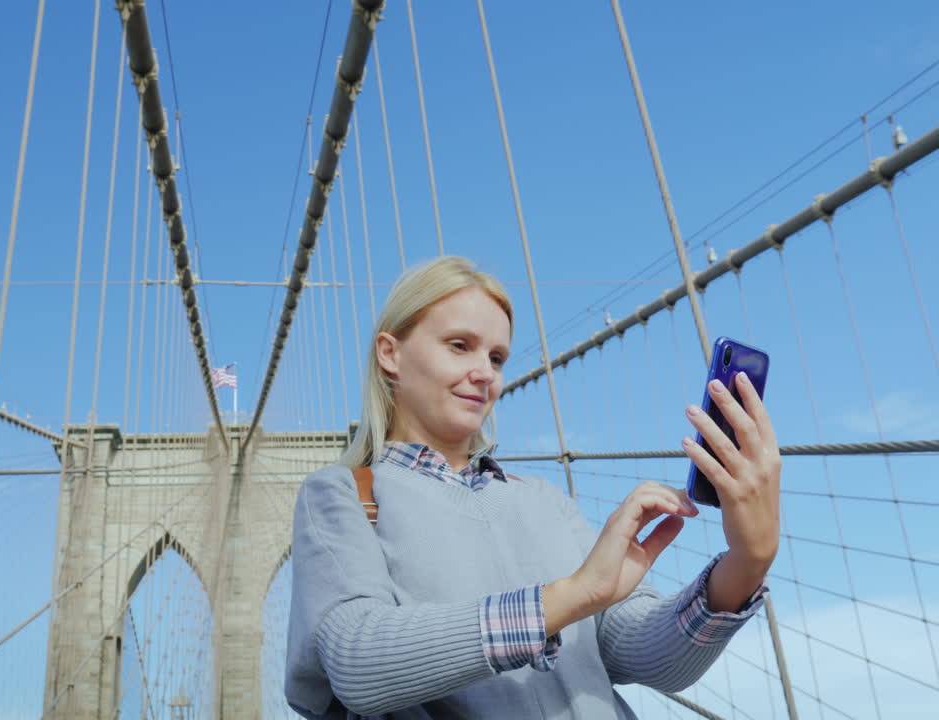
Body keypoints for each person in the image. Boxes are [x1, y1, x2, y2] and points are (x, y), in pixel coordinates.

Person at [285, 256, 780, 719]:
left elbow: (651, 660)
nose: (485, 375)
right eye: (459, 346)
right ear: (390, 353)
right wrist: (571, 596)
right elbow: (354, 659)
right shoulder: (341, 495)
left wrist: (747, 561)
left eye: (497, 357)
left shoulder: (543, 499)